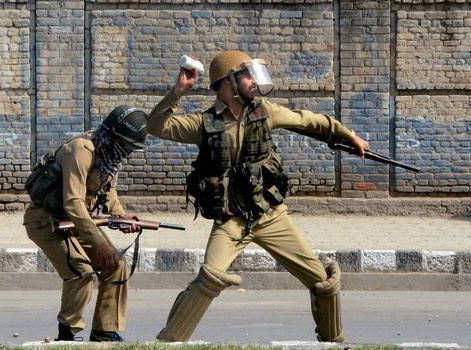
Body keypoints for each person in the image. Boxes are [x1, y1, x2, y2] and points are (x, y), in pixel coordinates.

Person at [147, 50, 370, 343]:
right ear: (228, 82)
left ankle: (334, 343)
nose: (254, 82)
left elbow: (311, 121)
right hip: (232, 221)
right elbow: (155, 126)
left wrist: (349, 135)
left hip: (270, 216)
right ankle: (168, 343)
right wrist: (178, 91)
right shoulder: (204, 123)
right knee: (208, 279)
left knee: (324, 283)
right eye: (247, 76)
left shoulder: (266, 112)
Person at [23, 105, 148, 342]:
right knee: (81, 271)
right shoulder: (82, 150)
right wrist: (100, 243)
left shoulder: (110, 154)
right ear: (112, 135)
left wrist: (121, 217)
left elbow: (108, 191)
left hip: (75, 223)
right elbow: (73, 203)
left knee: (116, 264)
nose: (128, 152)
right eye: (126, 145)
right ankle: (66, 335)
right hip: (45, 220)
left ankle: (104, 331)